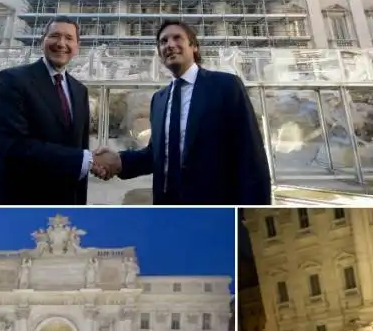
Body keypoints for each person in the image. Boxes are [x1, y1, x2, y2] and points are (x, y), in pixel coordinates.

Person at [93, 20, 271, 205]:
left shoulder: (225, 86)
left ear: (193, 46)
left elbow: (251, 155)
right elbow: (156, 154)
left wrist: (254, 209)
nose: (170, 45)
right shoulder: (159, 100)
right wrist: (118, 161)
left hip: (215, 209)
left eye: (177, 38)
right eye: (163, 41)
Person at [0, 16, 95, 205]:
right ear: (42, 41)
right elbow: (12, 145)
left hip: (64, 200)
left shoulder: (80, 90)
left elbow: (79, 145)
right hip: (19, 199)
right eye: (55, 36)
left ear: (77, 46)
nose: (61, 44)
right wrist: (85, 159)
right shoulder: (12, 79)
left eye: (69, 38)